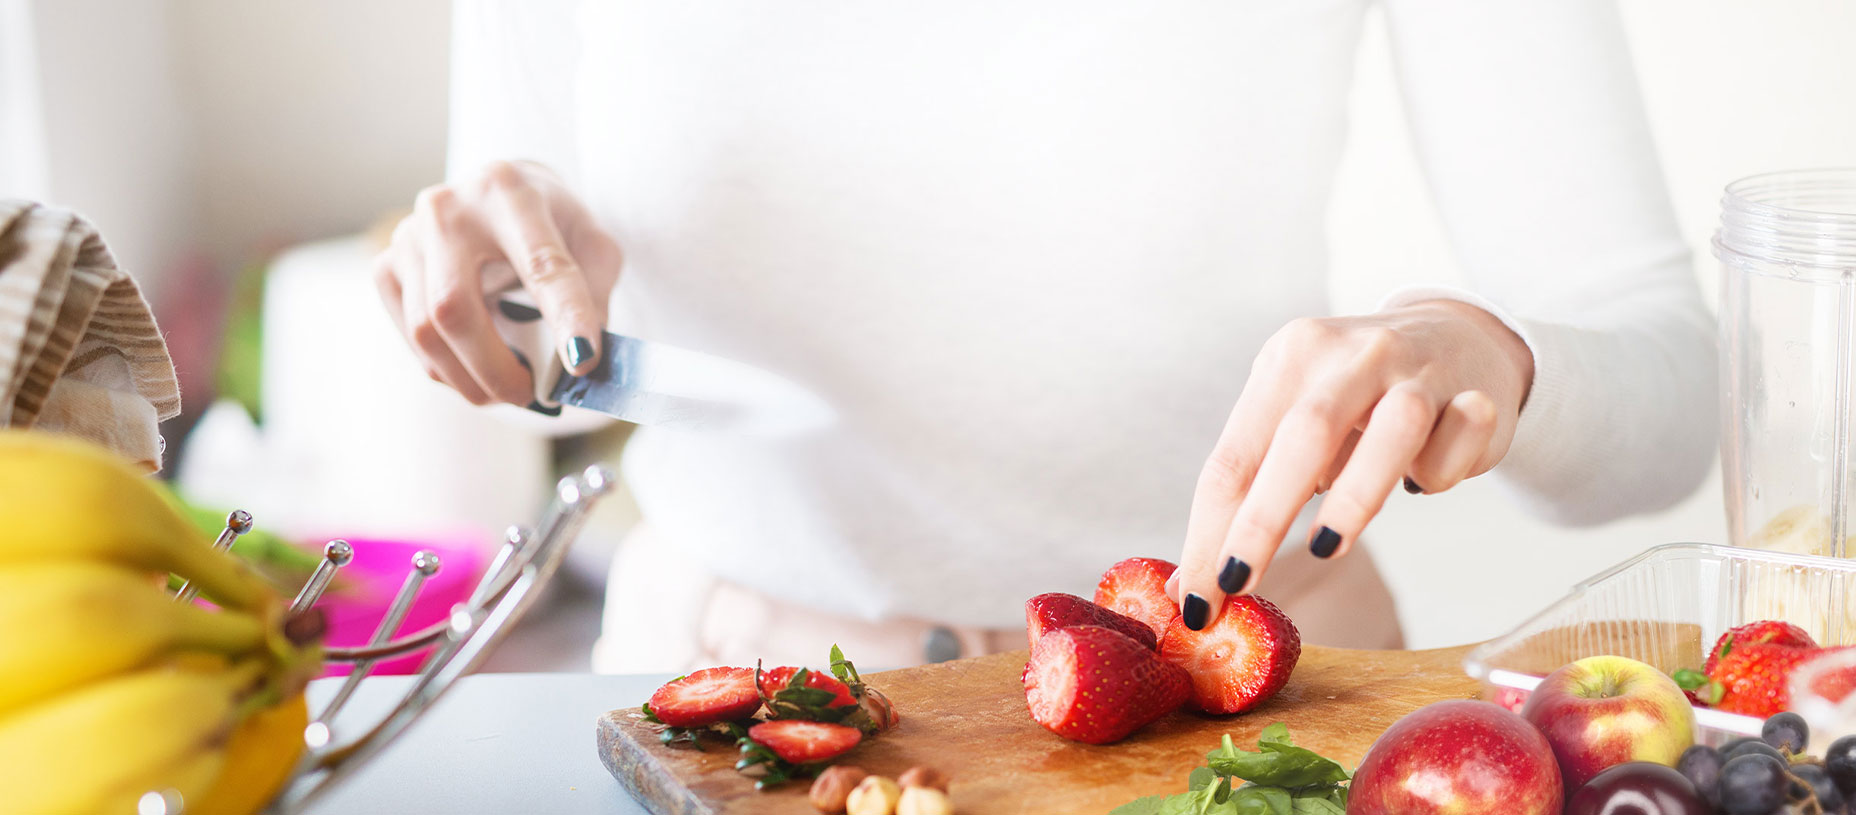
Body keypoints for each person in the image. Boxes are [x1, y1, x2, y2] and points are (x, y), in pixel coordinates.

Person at [373, 0, 1714, 671]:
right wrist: (496, 288)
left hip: (1240, 718)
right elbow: (520, 285)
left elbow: (1669, 403)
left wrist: (1482, 352)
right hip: (719, 700)